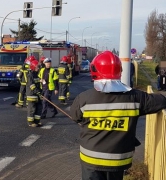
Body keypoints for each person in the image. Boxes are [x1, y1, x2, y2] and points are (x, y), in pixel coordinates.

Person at [70, 51, 166, 180]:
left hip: (90, 159)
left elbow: (75, 116)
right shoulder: (136, 97)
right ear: (119, 71)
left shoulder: (83, 98)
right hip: (118, 161)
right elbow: (161, 100)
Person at [26, 57, 43, 127]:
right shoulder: (30, 75)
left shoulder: (36, 75)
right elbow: (32, 86)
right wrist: (38, 92)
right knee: (32, 109)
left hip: (37, 94)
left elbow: (38, 84)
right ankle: (31, 122)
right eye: (37, 67)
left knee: (39, 107)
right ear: (33, 67)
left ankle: (37, 121)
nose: (38, 68)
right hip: (32, 95)